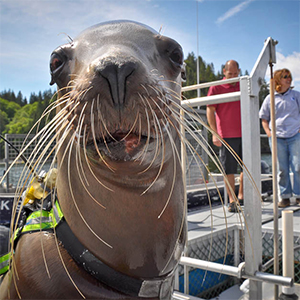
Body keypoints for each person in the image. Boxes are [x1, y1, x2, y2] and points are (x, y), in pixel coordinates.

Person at [259, 68, 300, 207]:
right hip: (277, 138)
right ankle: (285, 196)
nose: (289, 78)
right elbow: (264, 118)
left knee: (298, 166)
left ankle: (299, 195)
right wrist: (269, 133)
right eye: (285, 77)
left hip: (295, 136)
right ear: (277, 80)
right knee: (282, 169)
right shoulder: (270, 98)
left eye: (289, 76)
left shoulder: (296, 95)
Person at [206, 60, 243, 212]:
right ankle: (232, 200)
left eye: (235, 74)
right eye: (230, 74)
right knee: (228, 169)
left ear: (239, 72)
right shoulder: (216, 87)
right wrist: (215, 133)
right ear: (224, 71)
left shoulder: (243, 84)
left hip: (245, 132)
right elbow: (210, 110)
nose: (233, 77)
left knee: (246, 168)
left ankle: (241, 196)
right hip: (226, 135)